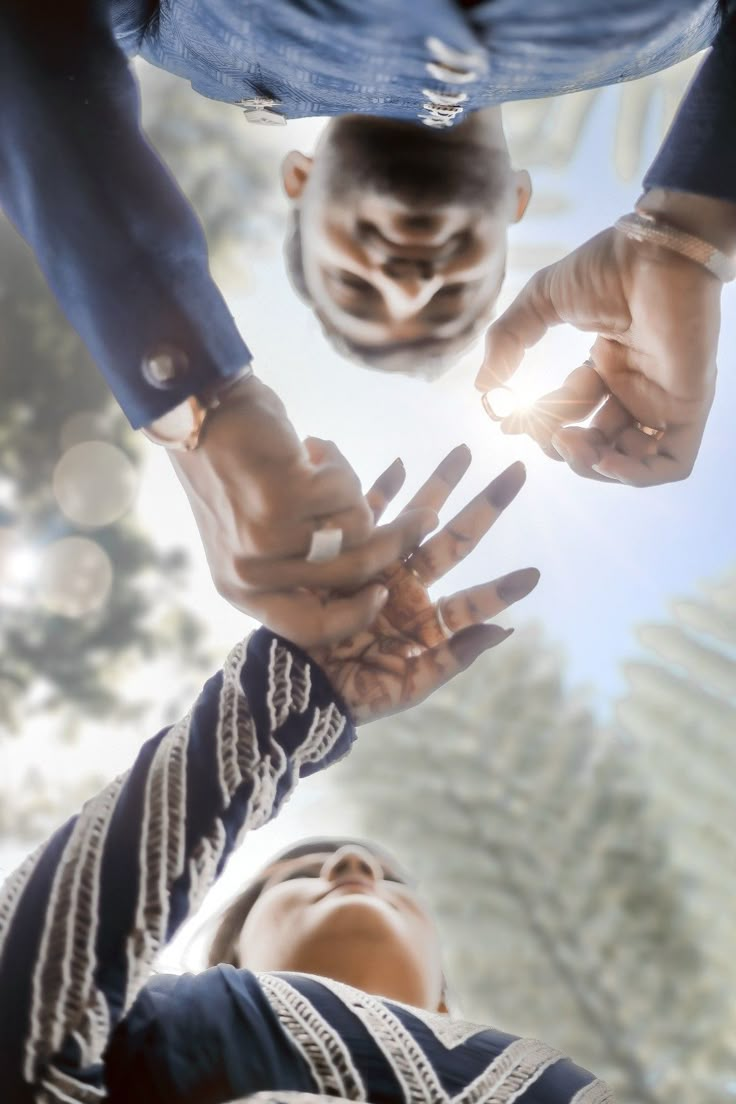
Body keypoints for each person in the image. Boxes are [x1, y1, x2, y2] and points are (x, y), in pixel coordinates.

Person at [2, 7, 736, 615]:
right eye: (452, 299)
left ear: (301, 179)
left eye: (355, 287)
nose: (412, 282)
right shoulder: (674, 26)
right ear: (516, 203)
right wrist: (687, 230)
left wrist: (195, 393)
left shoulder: (179, 29)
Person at [0, 451, 613, 1104]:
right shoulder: (147, 1022)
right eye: (294, 875)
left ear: (442, 992)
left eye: (396, 881)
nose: (354, 861)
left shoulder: (564, 1086)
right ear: (228, 954)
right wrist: (292, 691)